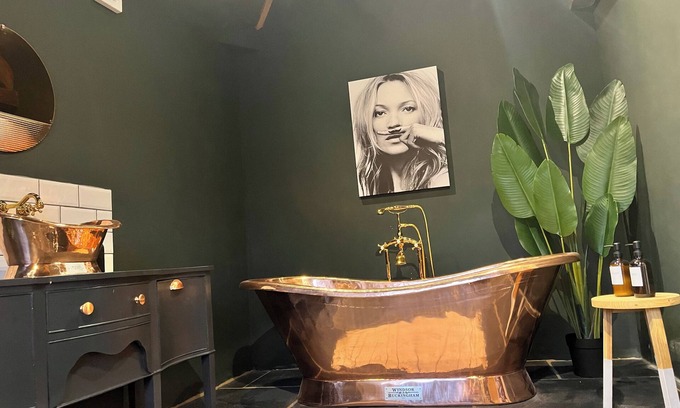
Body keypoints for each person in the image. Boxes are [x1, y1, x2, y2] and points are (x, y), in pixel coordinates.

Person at [351, 69, 449, 197]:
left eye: (407, 109)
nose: (393, 123)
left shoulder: (442, 179)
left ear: (426, 114)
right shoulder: (374, 189)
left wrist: (442, 136)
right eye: (380, 113)